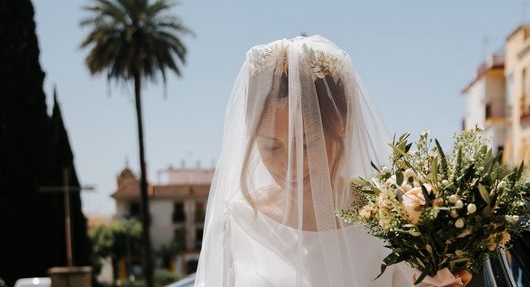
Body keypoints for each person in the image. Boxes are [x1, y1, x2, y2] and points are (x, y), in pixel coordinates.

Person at [195, 35, 471, 287]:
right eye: (270, 147)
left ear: (342, 124)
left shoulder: (395, 223)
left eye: (305, 144)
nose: (289, 164)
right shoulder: (236, 222)